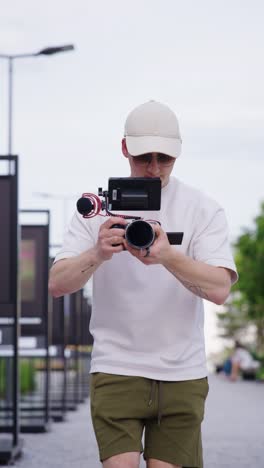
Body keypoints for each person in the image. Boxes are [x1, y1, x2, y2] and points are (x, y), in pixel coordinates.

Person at [49, 100, 238, 468]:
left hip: (182, 373)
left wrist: (168, 256)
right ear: (124, 149)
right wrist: (98, 253)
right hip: (116, 365)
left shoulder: (202, 208)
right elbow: (57, 285)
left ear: (178, 154)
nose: (153, 168)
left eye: (164, 158)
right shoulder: (96, 209)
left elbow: (219, 290)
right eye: (142, 157)